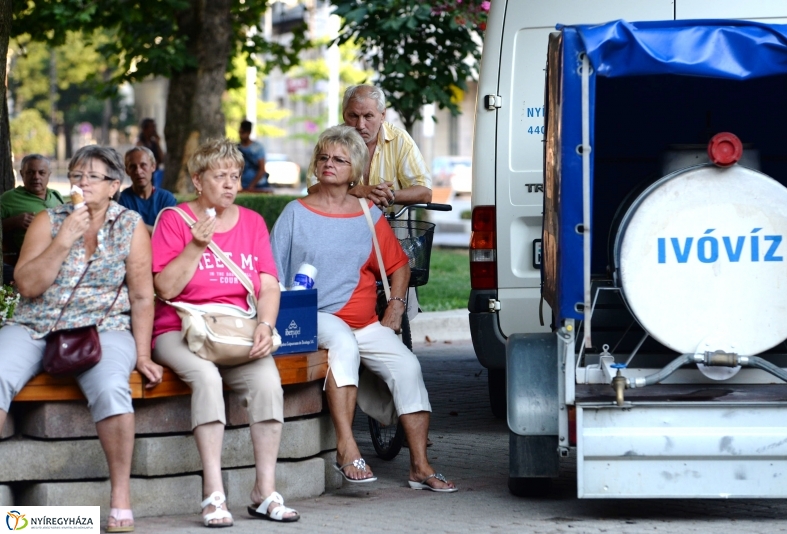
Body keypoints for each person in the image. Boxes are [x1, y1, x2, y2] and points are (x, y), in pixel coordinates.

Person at [270, 125, 457, 492]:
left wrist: (396, 307)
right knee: (342, 343)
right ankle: (347, 447)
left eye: (339, 159)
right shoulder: (295, 213)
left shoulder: (367, 213)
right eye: (323, 157)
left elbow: (399, 265)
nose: (329, 164)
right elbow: (271, 272)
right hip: (316, 317)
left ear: (355, 170)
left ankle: (419, 466)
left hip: (365, 322)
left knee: (407, 366)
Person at [0, 145, 163, 532]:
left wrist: (143, 354)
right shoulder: (48, 219)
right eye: (76, 175)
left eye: (93, 176)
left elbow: (141, 295)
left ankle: (120, 499)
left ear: (113, 186)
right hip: (37, 323)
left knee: (111, 388)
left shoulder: (130, 226)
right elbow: (27, 284)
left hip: (103, 328)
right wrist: (63, 240)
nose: (82, 183)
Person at [150, 138, 298, 526]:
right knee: (206, 379)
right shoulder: (174, 220)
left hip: (234, 329)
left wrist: (265, 324)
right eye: (221, 176)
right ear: (198, 181)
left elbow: (267, 285)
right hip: (180, 327)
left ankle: (264, 492)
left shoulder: (252, 222)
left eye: (235, 176)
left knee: (268, 381)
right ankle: (213, 494)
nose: (231, 184)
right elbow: (164, 289)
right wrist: (197, 245)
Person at [307, 84, 433, 207]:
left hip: (390, 225)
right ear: (343, 114)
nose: (360, 125)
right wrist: (359, 190)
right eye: (353, 116)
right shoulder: (330, 140)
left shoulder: (400, 139)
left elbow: (425, 193)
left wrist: (386, 195)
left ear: (383, 115)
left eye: (368, 116)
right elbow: (313, 188)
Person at [1, 155, 65, 284]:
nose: (36, 177)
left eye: (41, 173)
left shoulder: (55, 196)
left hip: (63, 258)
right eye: (30, 172)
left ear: (49, 175)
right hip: (32, 264)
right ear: (22, 174)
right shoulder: (8, 199)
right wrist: (13, 222)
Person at [119, 147, 177, 234]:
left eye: (143, 165)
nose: (138, 171)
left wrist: (134, 225)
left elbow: (170, 233)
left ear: (153, 166)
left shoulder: (166, 198)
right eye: (133, 167)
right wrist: (156, 230)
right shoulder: (121, 200)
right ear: (127, 171)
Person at [237, 120, 267, 191]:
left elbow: (261, 169)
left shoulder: (257, 147)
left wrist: (251, 186)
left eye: (243, 133)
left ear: (249, 132)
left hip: (258, 185)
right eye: (240, 133)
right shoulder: (237, 147)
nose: (241, 135)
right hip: (242, 185)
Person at [136, 118, 165, 188]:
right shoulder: (140, 144)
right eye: (152, 127)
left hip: (156, 173)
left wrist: (158, 144)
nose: (154, 130)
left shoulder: (154, 143)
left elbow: (162, 158)